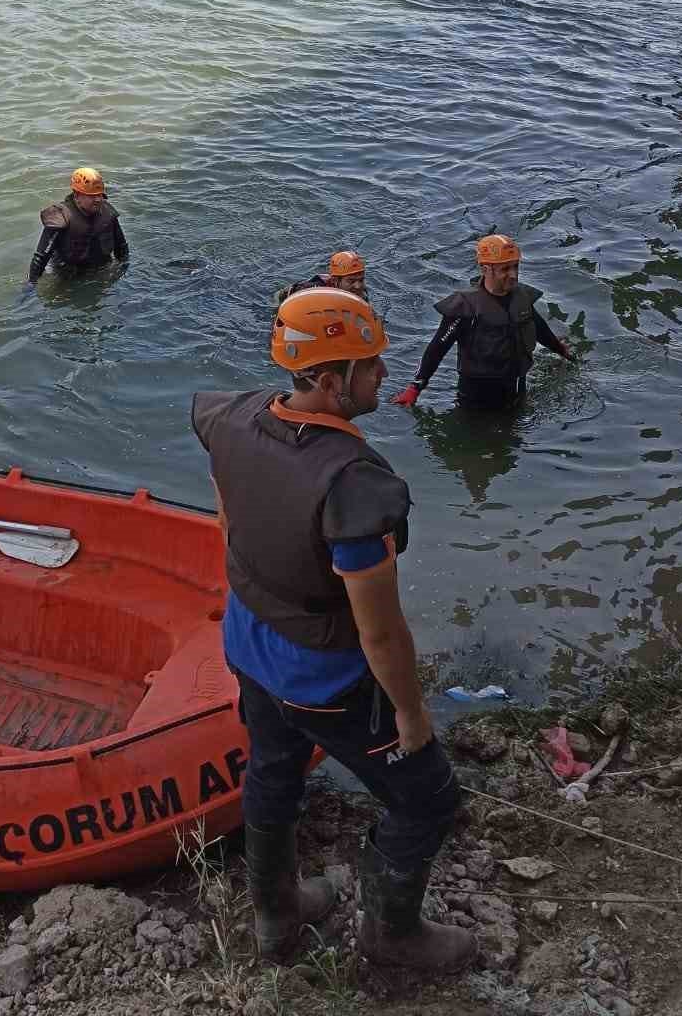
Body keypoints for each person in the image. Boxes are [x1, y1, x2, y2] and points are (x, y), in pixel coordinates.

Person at [191, 288, 474, 974]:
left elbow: (228, 520)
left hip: (250, 645)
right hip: (326, 678)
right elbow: (379, 634)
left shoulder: (234, 417)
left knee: (273, 767)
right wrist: (410, 714)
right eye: (368, 366)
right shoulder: (353, 486)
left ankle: (275, 914)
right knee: (429, 799)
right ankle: (392, 937)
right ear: (328, 381)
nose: (382, 373)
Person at [392, 233, 573, 412]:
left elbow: (538, 328)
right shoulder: (465, 307)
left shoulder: (522, 297)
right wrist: (415, 388)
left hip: (516, 386)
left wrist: (560, 349)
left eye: (515, 267)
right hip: (477, 397)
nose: (513, 275)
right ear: (485, 270)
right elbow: (437, 348)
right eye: (505, 269)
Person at [26, 167, 129, 285]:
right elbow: (41, 258)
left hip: (101, 272)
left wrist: (123, 272)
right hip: (68, 276)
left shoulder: (108, 213)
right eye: (91, 196)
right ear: (76, 195)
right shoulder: (61, 217)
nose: (97, 200)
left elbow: (122, 248)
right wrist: (31, 286)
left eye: (100, 195)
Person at [276, 250, 368, 304]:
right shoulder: (313, 289)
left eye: (361, 280)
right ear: (335, 280)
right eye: (351, 281)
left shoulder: (361, 293)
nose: (358, 286)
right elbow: (281, 295)